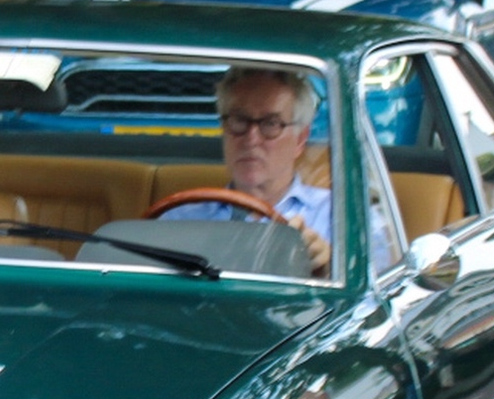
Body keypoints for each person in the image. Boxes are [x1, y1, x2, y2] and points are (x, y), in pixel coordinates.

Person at [157, 64, 385, 277]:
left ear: (300, 139)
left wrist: (331, 270)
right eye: (239, 120)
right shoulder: (179, 219)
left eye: (271, 124)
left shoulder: (345, 219)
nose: (251, 139)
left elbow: (379, 302)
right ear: (224, 128)